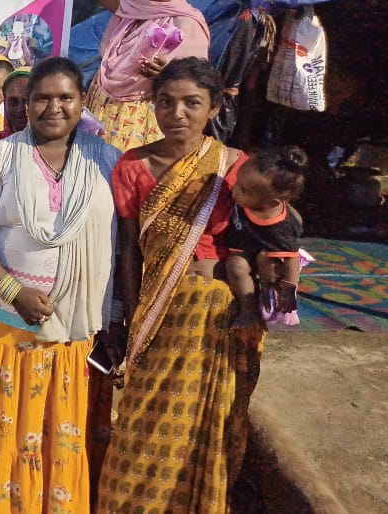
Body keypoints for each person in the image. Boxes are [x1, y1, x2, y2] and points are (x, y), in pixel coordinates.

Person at [0, 57, 121, 513]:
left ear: (83, 103)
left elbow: (120, 242)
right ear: (27, 104)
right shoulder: (1, 156)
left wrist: (117, 313)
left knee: (57, 437)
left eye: (66, 97)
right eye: (42, 97)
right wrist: (12, 291)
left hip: (73, 333)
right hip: (8, 328)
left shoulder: (105, 159)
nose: (53, 107)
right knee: (2, 435)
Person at [97, 57, 260, 513]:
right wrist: (128, 317)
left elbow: (256, 236)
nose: (177, 114)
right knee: (140, 426)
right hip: (157, 315)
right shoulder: (132, 166)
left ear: (213, 109)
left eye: (192, 103)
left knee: (200, 427)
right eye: (165, 103)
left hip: (214, 321)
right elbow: (128, 250)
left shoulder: (232, 166)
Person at [69, 0, 210, 152]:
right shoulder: (132, 6)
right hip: (98, 107)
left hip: (139, 122)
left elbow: (196, 85)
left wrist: (167, 73)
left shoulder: (187, 23)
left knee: (125, 182)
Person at [225, 146, 307, 327]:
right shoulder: (247, 196)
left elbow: (292, 258)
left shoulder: (279, 228)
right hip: (247, 246)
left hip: (273, 256)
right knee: (236, 265)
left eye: (243, 190)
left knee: (268, 269)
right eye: (236, 182)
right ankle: (248, 309)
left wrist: (289, 291)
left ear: (271, 202)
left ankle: (251, 309)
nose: (234, 190)